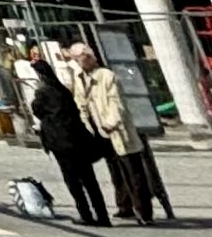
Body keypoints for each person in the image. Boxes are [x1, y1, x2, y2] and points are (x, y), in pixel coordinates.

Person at [72, 42, 156, 226]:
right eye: (77, 59)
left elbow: (116, 103)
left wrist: (111, 122)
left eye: (83, 57)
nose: (81, 62)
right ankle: (124, 206)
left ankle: (144, 211)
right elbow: (80, 101)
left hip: (117, 130)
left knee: (133, 170)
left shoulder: (106, 76)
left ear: (91, 58)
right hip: (98, 130)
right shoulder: (79, 77)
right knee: (115, 170)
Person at [27, 40, 110, 225]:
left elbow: (37, 111)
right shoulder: (62, 90)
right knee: (90, 180)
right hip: (78, 139)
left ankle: (86, 214)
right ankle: (102, 215)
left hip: (60, 143)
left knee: (73, 181)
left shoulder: (43, 93)